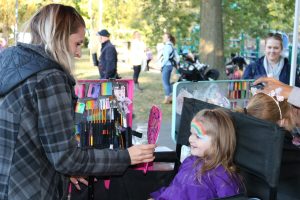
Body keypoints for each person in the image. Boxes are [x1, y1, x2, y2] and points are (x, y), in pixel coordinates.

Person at [0, 4, 155, 200]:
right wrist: (127, 157)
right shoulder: (48, 78)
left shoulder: (11, 61)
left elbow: (35, 136)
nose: (79, 54)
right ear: (59, 37)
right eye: (78, 44)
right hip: (29, 189)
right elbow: (67, 158)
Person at [150, 108, 243, 200]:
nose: (190, 139)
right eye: (191, 133)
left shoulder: (223, 178)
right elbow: (174, 189)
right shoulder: (189, 161)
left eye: (198, 136)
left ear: (218, 142)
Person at [161, 33, 179, 104]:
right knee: (167, 82)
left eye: (164, 37)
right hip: (171, 65)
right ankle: (170, 97)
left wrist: (161, 66)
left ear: (168, 38)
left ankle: (168, 98)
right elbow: (177, 57)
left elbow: (166, 58)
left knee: (165, 83)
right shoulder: (172, 45)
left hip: (167, 65)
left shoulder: (167, 46)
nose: (163, 37)